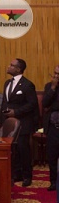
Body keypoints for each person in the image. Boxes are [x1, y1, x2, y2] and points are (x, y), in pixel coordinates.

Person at [0, 58, 38, 187]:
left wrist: (16, 112)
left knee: (23, 149)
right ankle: (17, 173)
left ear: (18, 69)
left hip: (23, 122)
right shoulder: (7, 83)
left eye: (11, 65)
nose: (8, 66)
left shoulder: (27, 85)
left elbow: (32, 104)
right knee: (13, 150)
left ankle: (27, 176)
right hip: (9, 123)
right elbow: (4, 103)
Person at [43, 65, 59, 193]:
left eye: (58, 74)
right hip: (52, 126)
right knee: (52, 156)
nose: (56, 76)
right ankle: (53, 181)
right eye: (55, 73)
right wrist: (53, 88)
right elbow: (45, 103)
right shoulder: (49, 86)